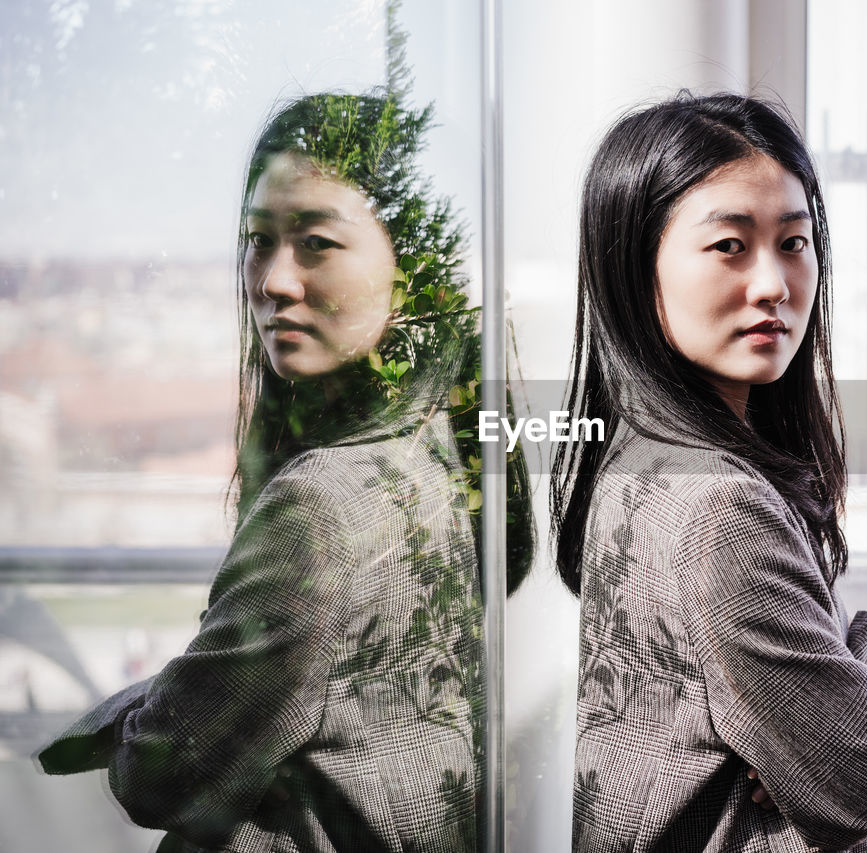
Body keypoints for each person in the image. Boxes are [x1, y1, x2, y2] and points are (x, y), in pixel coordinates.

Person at [37, 91, 531, 853]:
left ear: (411, 265)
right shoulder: (443, 448)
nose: (272, 279)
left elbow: (158, 776)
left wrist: (139, 711)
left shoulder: (318, 509)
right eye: (258, 240)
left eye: (316, 241)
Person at [551, 92, 867, 853]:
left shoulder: (634, 459)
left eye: (793, 242)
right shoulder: (720, 508)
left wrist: (848, 694)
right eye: (730, 245)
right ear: (636, 268)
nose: (773, 284)